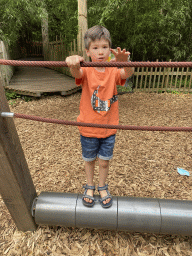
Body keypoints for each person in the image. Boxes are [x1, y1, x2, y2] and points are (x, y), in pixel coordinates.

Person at [66, 25, 134, 208]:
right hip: (88, 127)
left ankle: (102, 186)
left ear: (110, 49)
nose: (101, 52)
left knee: (104, 162)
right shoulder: (86, 69)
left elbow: (126, 74)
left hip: (109, 127)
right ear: (88, 52)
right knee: (89, 160)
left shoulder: (113, 69)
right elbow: (76, 72)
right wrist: (72, 62)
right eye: (95, 48)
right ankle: (89, 186)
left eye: (104, 47)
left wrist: (125, 62)